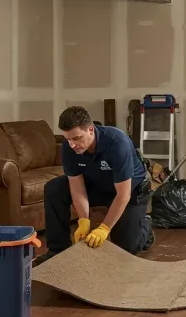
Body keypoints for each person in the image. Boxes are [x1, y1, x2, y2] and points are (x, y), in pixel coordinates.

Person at [35, 106, 154, 265]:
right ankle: (57, 250)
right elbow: (77, 187)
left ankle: (145, 227)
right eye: (68, 139)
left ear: (90, 130)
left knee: (127, 248)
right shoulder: (69, 147)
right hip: (98, 184)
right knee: (55, 188)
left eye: (76, 138)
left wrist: (104, 228)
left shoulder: (117, 143)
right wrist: (84, 220)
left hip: (131, 192)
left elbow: (123, 195)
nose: (72, 144)